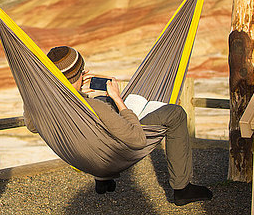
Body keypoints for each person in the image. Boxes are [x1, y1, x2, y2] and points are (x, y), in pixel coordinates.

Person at [23, 46, 213, 206]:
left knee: (104, 102)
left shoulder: (46, 106)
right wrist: (118, 99)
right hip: (107, 159)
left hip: (83, 158)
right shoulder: (93, 107)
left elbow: (32, 126)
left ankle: (103, 182)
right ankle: (182, 189)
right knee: (176, 114)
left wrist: (75, 94)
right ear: (81, 73)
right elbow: (137, 139)